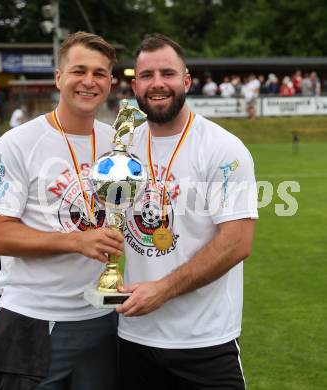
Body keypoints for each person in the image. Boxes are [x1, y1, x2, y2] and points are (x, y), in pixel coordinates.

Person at [0, 31, 123, 390]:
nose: (89, 81)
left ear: (111, 82)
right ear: (59, 77)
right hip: (34, 318)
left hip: (101, 317)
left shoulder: (119, 142)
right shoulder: (18, 143)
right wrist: (77, 242)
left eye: (100, 73)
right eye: (78, 71)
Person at [116, 34, 258, 390]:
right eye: (147, 75)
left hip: (205, 340)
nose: (157, 83)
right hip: (134, 338)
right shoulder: (121, 147)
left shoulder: (223, 149)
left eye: (168, 73)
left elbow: (238, 242)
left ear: (187, 80)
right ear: (135, 85)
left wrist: (162, 289)